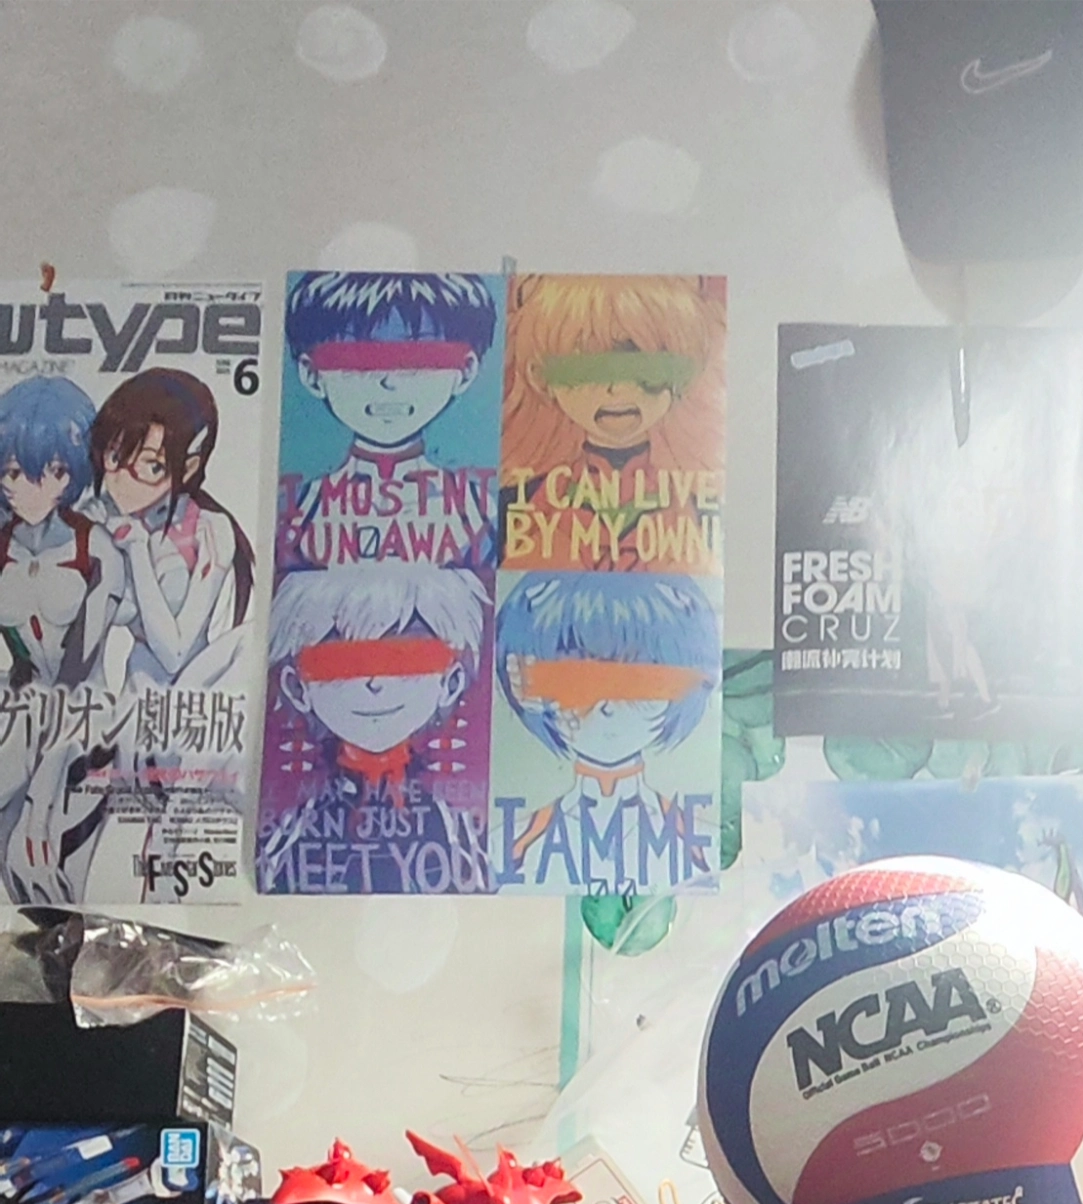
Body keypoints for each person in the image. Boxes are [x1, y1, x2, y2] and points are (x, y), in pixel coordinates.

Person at [257, 559, 489, 893]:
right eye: (339, 662)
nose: (374, 683)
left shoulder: (456, 831)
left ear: (450, 682)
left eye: (405, 658)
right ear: (297, 688)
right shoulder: (292, 833)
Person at [493, 571, 719, 894]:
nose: (608, 707)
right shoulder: (510, 847)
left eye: (640, 684)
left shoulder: (701, 849)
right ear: (524, 690)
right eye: (576, 684)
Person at [501, 276, 724, 572]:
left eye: (644, 367)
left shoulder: (703, 506)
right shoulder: (518, 502)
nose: (615, 389)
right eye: (585, 368)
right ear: (541, 378)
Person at [281, 272, 499, 570]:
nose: (388, 382)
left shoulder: (480, 512)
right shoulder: (299, 510)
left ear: (466, 370)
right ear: (310, 374)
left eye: (418, 361)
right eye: (357, 362)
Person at [90, 368, 255, 688]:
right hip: (134, 693)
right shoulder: (100, 517)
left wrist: (138, 551)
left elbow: (174, 653)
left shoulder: (208, 530)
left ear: (189, 468)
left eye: (152, 466)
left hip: (198, 688)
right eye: (115, 455)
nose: (123, 478)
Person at [0, 375, 125, 691]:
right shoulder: (3, 546)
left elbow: (79, 663)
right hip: (19, 706)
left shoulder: (96, 548)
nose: (34, 490)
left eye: (56, 471)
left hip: (83, 709)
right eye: (15, 473)